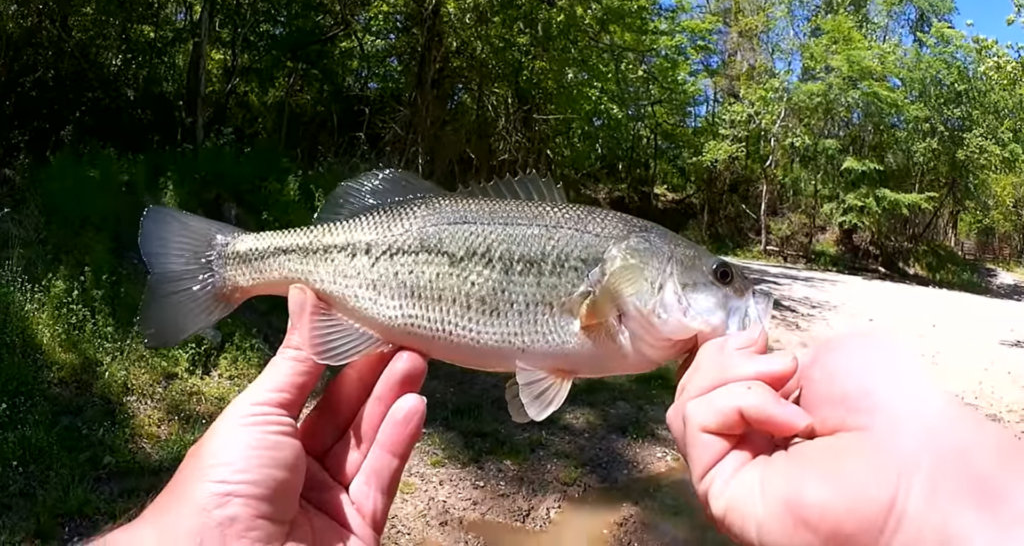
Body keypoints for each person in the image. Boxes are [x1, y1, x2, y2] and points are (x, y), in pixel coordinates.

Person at [92, 284, 1024, 545]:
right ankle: (226, 264)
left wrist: (916, 494)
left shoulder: (620, 322)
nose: (738, 298)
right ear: (624, 291)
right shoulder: (609, 313)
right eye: (720, 282)